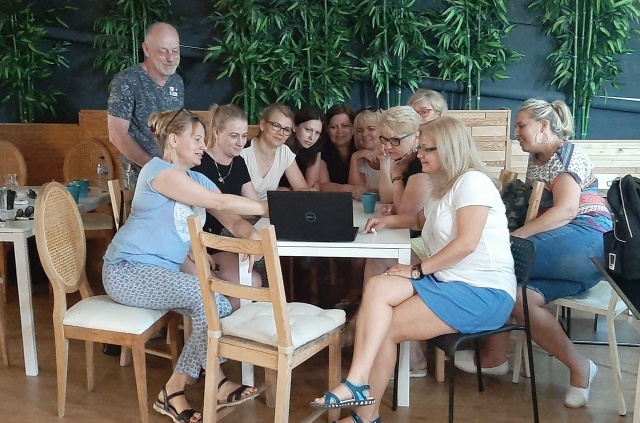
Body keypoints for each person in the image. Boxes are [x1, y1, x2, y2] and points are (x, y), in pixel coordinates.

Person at [311, 116, 516, 423]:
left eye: (427, 149)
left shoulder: (473, 182)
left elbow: (466, 244)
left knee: (384, 328)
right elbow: (421, 219)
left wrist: (418, 270)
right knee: (378, 285)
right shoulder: (443, 184)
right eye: (420, 148)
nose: (419, 154)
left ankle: (364, 415)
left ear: (450, 148)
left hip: (483, 292)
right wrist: (387, 221)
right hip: (449, 280)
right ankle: (356, 383)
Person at [103, 109, 267, 423]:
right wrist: (270, 206)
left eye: (204, 140)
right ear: (174, 140)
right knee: (214, 303)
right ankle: (178, 389)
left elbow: (230, 217)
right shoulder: (158, 171)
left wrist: (250, 233)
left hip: (162, 274)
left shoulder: (199, 179)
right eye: (197, 139)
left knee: (214, 304)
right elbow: (220, 202)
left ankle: (207, 382)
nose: (203, 146)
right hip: (127, 270)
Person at [456, 98, 613, 409]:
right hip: (564, 254)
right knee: (518, 297)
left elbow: (566, 211)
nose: (516, 132)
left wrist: (514, 237)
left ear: (543, 126)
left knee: (499, 257)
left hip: (587, 240)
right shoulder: (538, 158)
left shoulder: (565, 155)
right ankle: (581, 368)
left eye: (521, 125)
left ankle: (492, 354)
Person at [190, 103, 262, 290]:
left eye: (244, 136)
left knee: (256, 274)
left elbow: (253, 204)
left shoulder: (239, 162)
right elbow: (218, 205)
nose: (241, 142)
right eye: (234, 136)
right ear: (216, 132)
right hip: (200, 239)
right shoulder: (198, 162)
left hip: (226, 235)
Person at [240, 103, 312, 200]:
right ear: (262, 125)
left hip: (271, 207)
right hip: (245, 207)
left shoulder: (284, 152)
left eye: (286, 129)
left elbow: (301, 188)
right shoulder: (242, 153)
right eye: (276, 126)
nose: (281, 133)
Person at [319, 104, 362, 197]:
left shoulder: (361, 147)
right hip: (332, 200)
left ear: (353, 127)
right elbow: (323, 185)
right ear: (327, 129)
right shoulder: (321, 151)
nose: (339, 131)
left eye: (345, 126)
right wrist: (351, 190)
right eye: (333, 127)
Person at [280, 106, 324, 189]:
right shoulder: (282, 147)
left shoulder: (315, 148)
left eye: (317, 133)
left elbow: (311, 186)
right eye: (308, 130)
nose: (312, 137)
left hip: (299, 193)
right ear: (294, 126)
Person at [348, 108, 382, 193]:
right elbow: (357, 192)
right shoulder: (361, 159)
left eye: (371, 129)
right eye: (360, 130)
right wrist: (354, 158)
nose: (364, 134)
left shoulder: (393, 156)